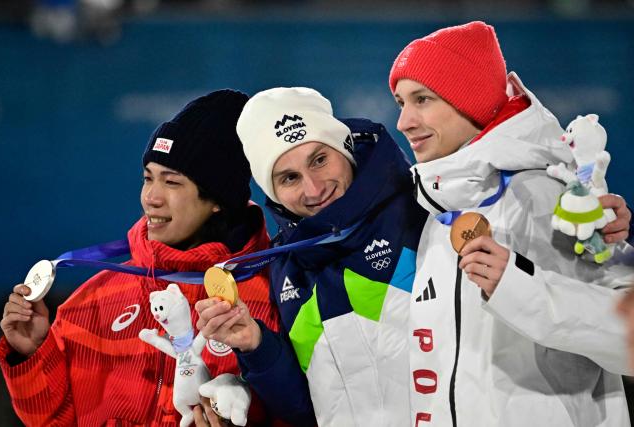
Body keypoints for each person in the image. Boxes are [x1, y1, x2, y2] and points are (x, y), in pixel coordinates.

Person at [389, 21, 634, 426]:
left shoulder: (547, 194)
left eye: (422, 99)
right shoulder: (440, 212)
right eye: (401, 102)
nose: (405, 122)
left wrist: (521, 287)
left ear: (470, 101)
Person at [0, 90, 280, 426]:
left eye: (171, 182)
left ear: (218, 200)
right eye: (148, 178)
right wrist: (35, 352)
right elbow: (49, 420)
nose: (151, 197)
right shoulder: (94, 300)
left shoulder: (270, 297)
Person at [195, 87, 428, 426]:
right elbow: (306, 411)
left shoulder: (421, 212)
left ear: (344, 149)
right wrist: (255, 345)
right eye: (289, 178)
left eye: (320, 160)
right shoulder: (284, 266)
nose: (314, 189)